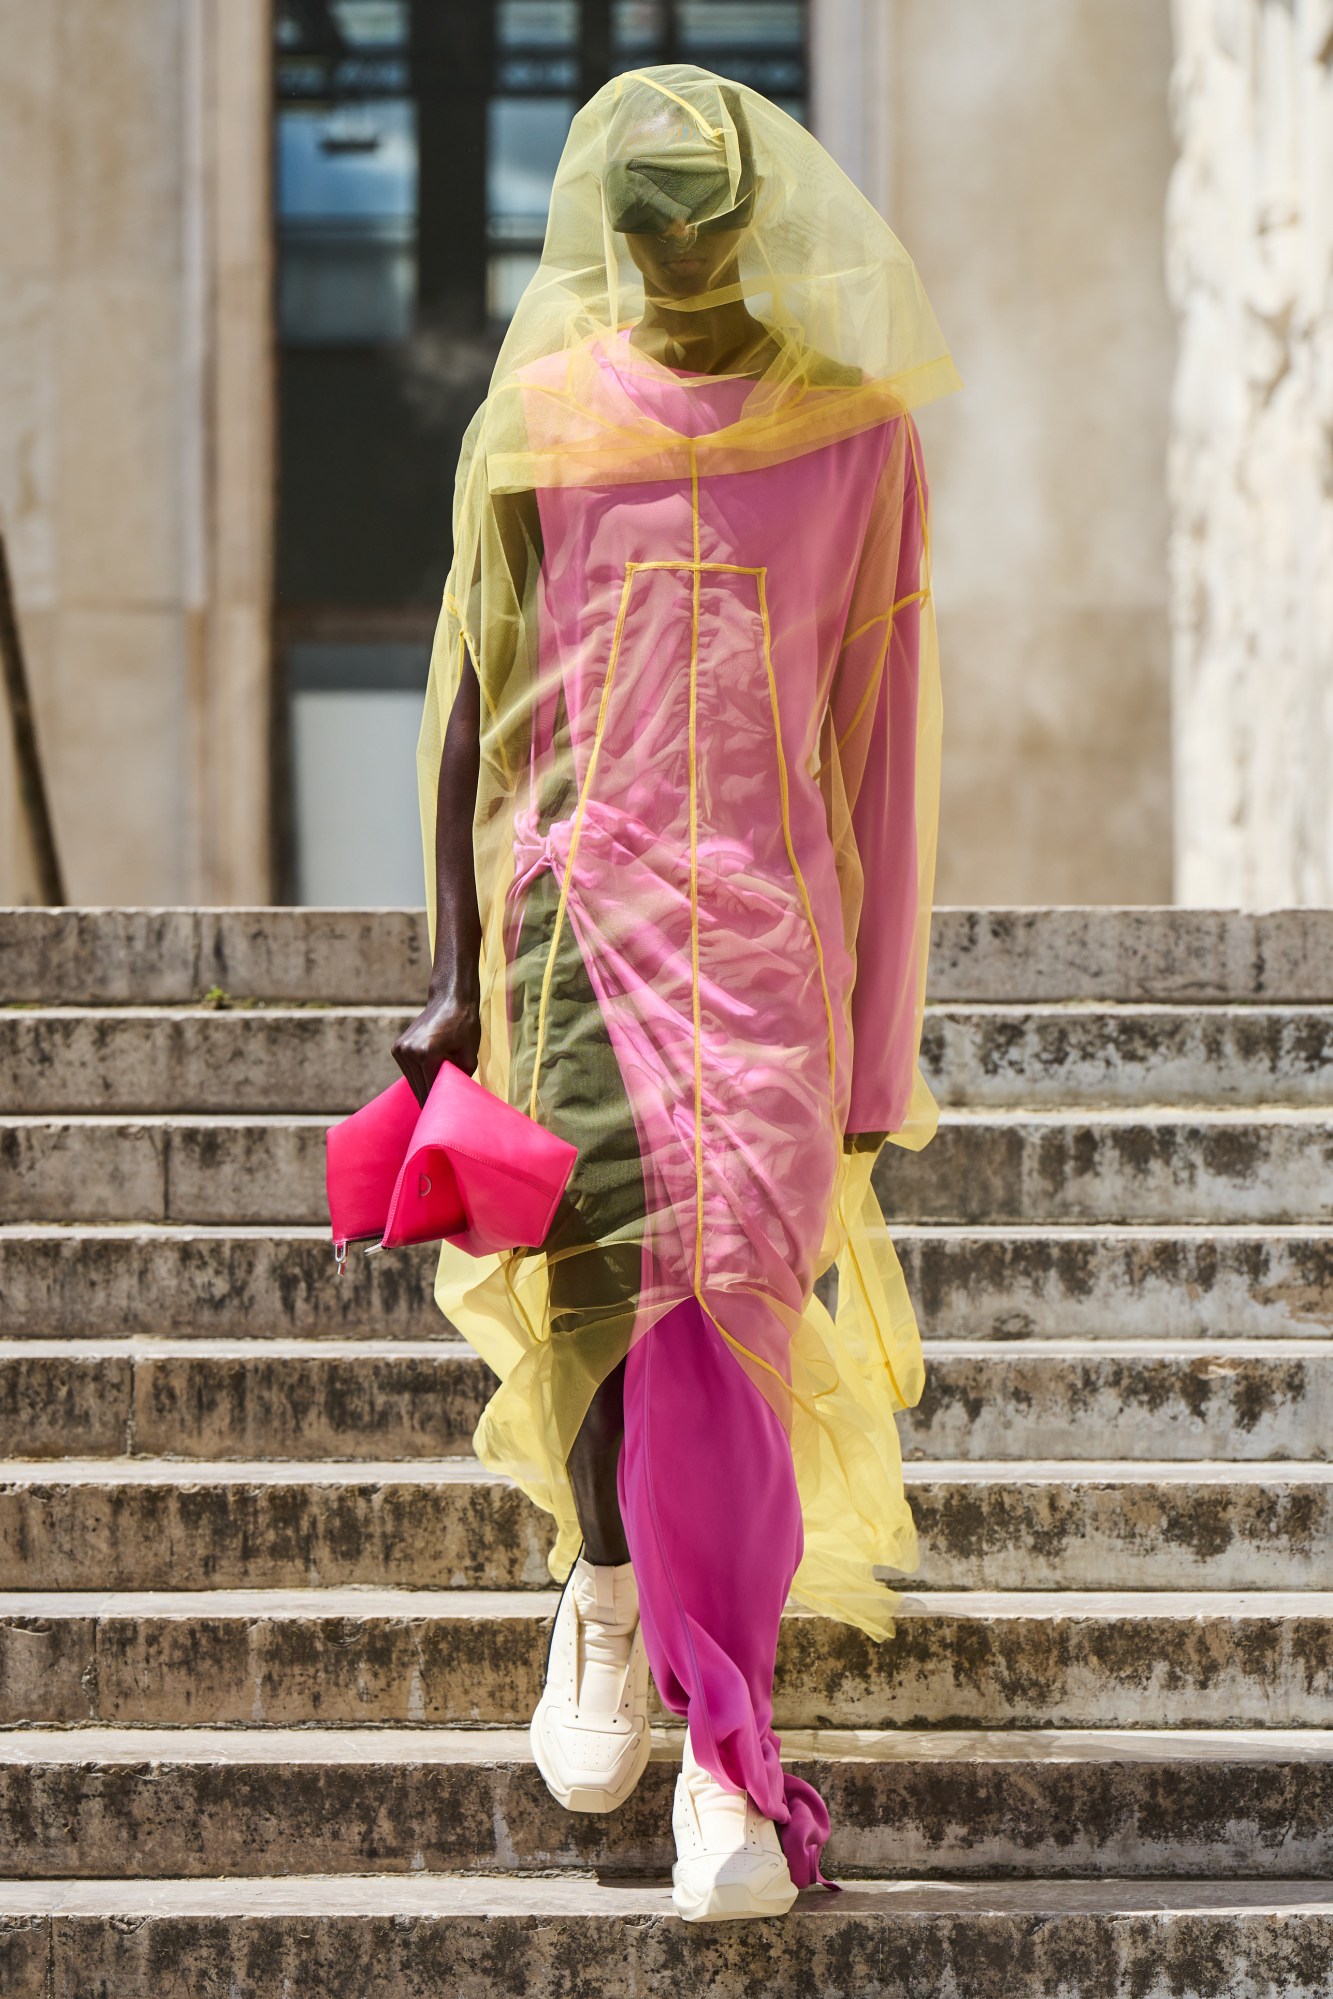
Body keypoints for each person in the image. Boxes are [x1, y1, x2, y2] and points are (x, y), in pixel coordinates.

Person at [393, 62, 960, 1923]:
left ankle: (724, 1767)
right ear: (612, 236)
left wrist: (880, 1036)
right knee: (589, 1298)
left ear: (756, 224)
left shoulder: (856, 439)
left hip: (769, 951)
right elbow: (476, 706)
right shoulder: (539, 423)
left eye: (699, 217)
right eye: (644, 221)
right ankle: (606, 1597)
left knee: (723, 1314)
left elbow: (873, 753)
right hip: (572, 931)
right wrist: (451, 973)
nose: (671, 246)